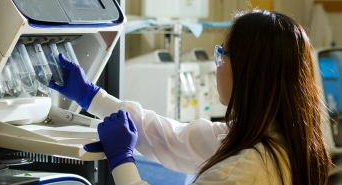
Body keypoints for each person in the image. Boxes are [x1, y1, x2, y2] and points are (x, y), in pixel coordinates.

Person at [48, 9, 332, 185]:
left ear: (249, 72)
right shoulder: (278, 141)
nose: (216, 64)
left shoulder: (243, 171)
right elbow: (172, 137)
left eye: (222, 54)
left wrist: (122, 162)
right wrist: (91, 96)